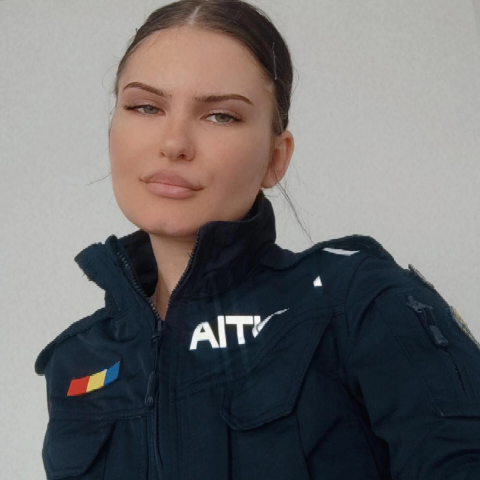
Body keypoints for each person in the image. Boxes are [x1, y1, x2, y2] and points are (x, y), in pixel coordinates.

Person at [35, 1, 480, 479]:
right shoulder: (78, 361)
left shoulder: (360, 305)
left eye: (221, 116)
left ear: (276, 157)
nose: (174, 143)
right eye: (146, 107)